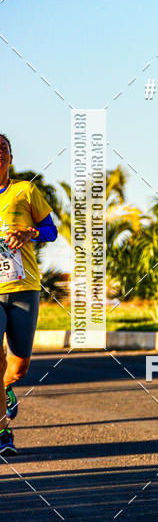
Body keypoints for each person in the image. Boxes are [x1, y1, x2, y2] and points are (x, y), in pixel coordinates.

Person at [0, 134, 58, 455]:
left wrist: (30, 232)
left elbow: (51, 231)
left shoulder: (25, 191)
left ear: (11, 156)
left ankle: (6, 387)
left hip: (24, 287)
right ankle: (2, 432)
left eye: (3, 148)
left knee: (18, 366)